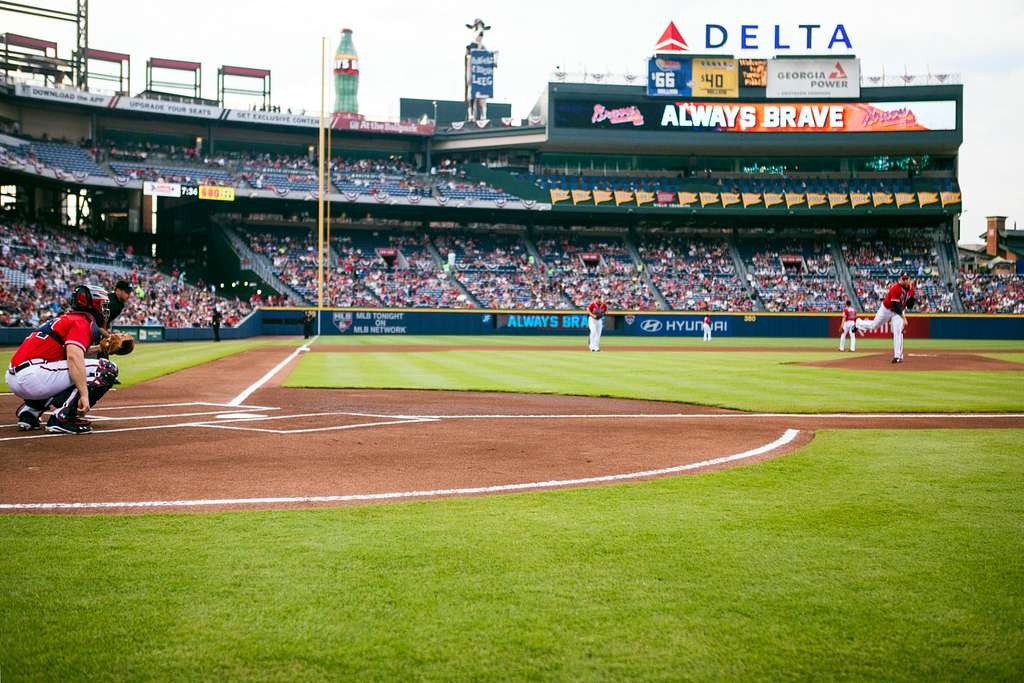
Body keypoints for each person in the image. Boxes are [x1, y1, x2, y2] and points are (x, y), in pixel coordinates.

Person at [6, 285, 120, 434]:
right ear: (93, 304)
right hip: (35, 377)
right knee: (107, 368)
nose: (105, 309)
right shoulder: (81, 321)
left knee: (63, 369)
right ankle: (64, 417)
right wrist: (84, 394)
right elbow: (73, 356)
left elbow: (65, 352)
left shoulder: (65, 318)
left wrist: (99, 348)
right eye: (103, 304)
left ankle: (30, 412)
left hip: (15, 377)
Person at [856, 273, 917, 363]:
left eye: (906, 279)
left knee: (898, 331)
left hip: (898, 312)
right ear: (900, 279)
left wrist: (912, 297)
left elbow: (910, 305)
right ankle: (859, 322)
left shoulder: (911, 289)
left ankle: (898, 356)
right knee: (874, 326)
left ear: (909, 280)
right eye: (903, 279)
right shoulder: (895, 288)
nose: (904, 280)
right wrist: (904, 318)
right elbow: (896, 306)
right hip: (887, 309)